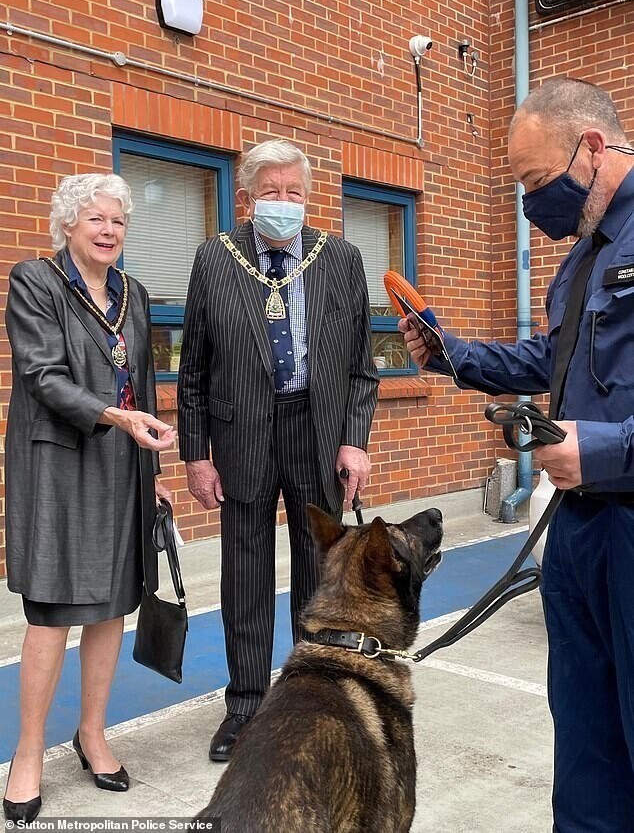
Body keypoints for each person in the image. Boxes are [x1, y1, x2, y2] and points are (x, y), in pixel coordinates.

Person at [401, 77, 634, 830]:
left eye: (538, 182)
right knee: (585, 740)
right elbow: (551, 358)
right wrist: (452, 355)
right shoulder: (581, 258)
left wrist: (598, 448)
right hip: (578, 532)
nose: (535, 207)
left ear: (592, 148)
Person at [178, 138, 378, 761]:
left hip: (317, 432)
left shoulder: (340, 258)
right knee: (245, 571)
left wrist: (355, 441)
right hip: (241, 434)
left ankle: (313, 703)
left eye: (295, 193)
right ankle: (246, 705)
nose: (284, 203)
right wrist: (196, 453)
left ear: (309, 198)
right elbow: (193, 369)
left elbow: (359, 365)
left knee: (322, 571)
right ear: (246, 198)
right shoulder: (215, 259)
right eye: (271, 192)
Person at [2, 173, 176, 823]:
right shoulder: (34, 282)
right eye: (96, 219)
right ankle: (27, 754)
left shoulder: (135, 293)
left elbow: (144, 385)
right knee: (52, 613)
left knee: (110, 605)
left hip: (122, 463)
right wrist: (117, 416)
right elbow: (43, 374)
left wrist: (151, 458)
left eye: (119, 222)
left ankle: (93, 732)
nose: (108, 231)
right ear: (69, 224)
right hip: (59, 467)